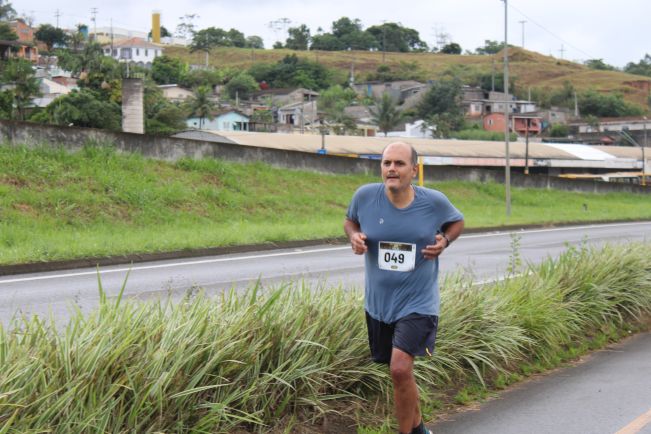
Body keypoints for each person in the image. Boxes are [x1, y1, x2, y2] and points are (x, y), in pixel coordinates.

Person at [344, 141, 464, 434]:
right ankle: (420, 429)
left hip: (419, 304)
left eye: (399, 163)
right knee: (400, 373)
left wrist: (445, 241)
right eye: (387, 163)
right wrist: (354, 236)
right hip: (379, 305)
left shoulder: (433, 202)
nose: (392, 169)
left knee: (399, 368)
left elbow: (457, 222)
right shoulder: (365, 196)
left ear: (414, 169)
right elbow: (350, 221)